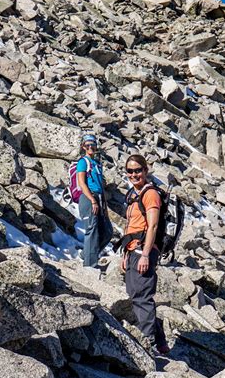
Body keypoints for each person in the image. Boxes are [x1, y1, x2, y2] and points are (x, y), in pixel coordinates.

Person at [120, 154, 169, 355]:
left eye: (138, 170)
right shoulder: (134, 194)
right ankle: (160, 340)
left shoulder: (150, 194)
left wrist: (146, 254)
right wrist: (125, 253)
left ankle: (148, 344)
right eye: (130, 171)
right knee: (135, 294)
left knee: (141, 296)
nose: (134, 174)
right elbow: (130, 225)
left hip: (144, 249)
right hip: (133, 249)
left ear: (145, 171)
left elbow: (153, 225)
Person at [71, 134, 113, 267]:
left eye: (93, 145)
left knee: (107, 231)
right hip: (89, 198)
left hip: (99, 198)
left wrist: (103, 206)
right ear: (83, 147)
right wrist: (93, 201)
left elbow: (100, 186)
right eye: (87, 145)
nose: (90, 147)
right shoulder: (83, 162)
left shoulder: (97, 163)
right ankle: (90, 265)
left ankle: (86, 254)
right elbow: (82, 183)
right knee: (92, 229)